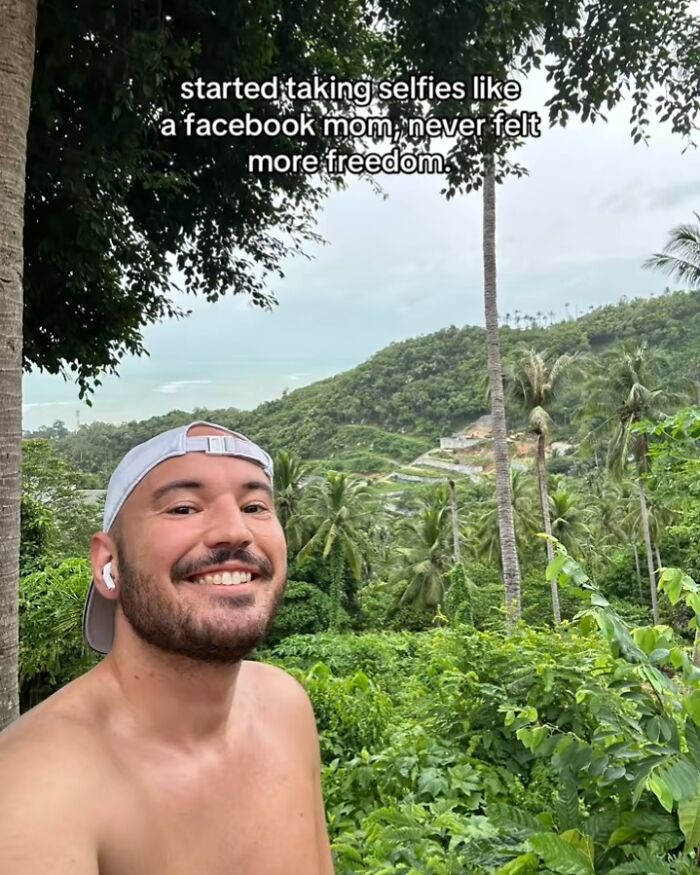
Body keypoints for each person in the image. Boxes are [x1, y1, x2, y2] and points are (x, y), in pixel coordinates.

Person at [0, 421, 335, 874]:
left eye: (255, 505)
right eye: (183, 508)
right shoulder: (34, 787)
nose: (235, 531)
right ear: (107, 563)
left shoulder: (285, 706)